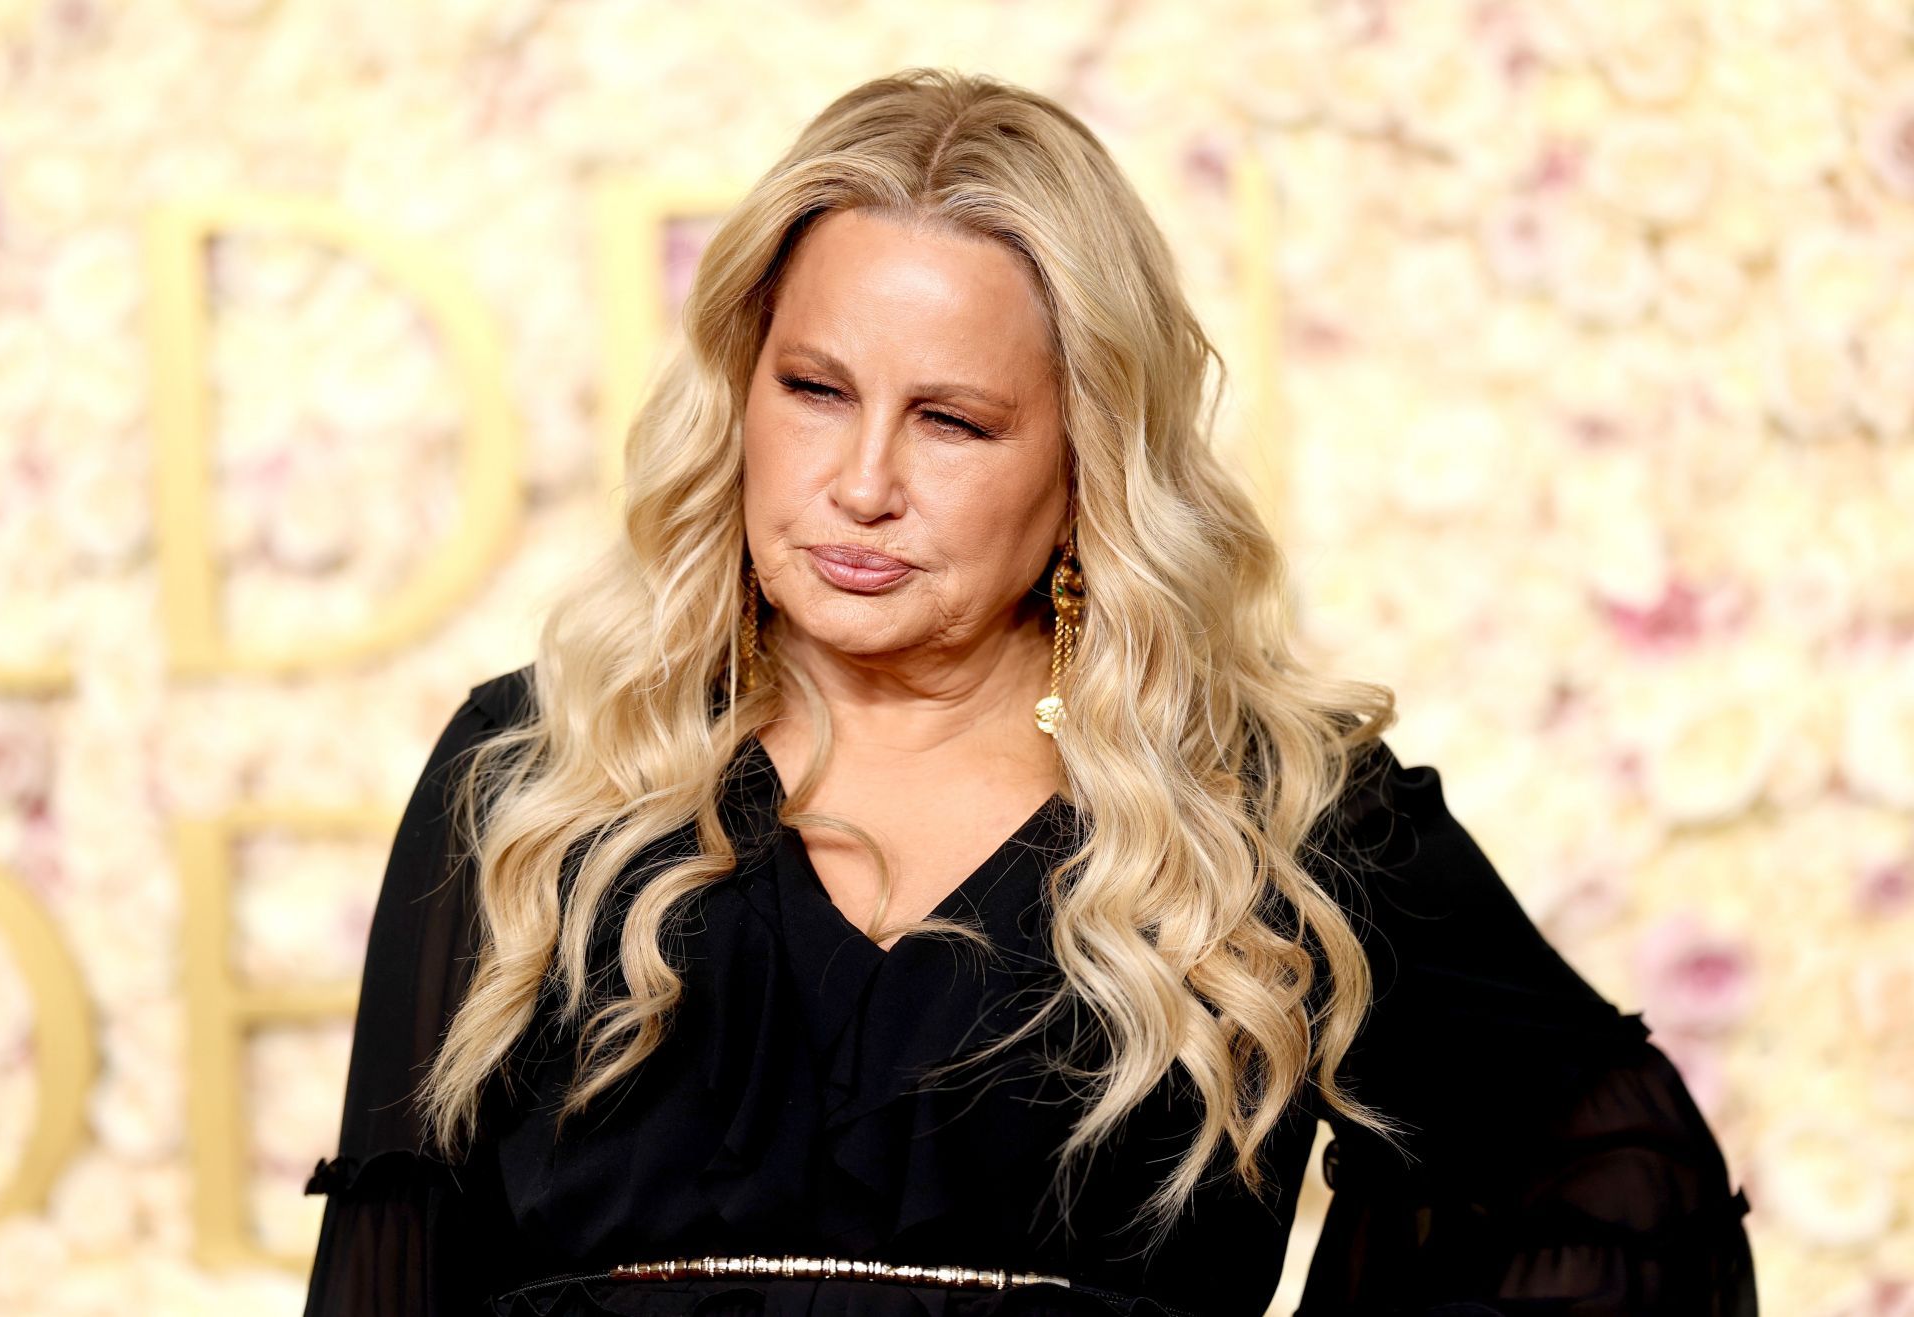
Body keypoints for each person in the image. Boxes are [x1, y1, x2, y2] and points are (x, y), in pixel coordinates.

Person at [301, 68, 1757, 1317]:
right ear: (740, 389)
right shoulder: (537, 773)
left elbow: (1621, 1178)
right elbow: (384, 1277)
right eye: (814, 389)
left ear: (1084, 463)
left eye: (952, 421)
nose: (861, 483)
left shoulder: (1256, 808)